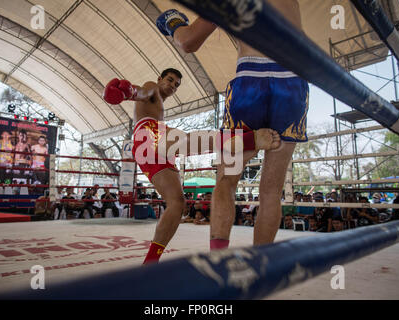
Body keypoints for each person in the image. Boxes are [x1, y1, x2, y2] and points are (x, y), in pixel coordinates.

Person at [157, 1, 309, 249]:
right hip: (291, 82)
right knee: (271, 190)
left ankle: (219, 261)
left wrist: (173, 22)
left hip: (251, 81)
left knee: (227, 179)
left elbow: (188, 41)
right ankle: (259, 267)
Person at [103, 68, 280, 264]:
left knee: (177, 204)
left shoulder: (158, 104)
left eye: (177, 84)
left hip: (148, 147)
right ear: (159, 79)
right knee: (188, 140)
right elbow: (142, 92)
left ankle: (150, 262)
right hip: (147, 135)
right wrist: (129, 93)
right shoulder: (151, 87)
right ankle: (249, 140)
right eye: (170, 80)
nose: (172, 86)